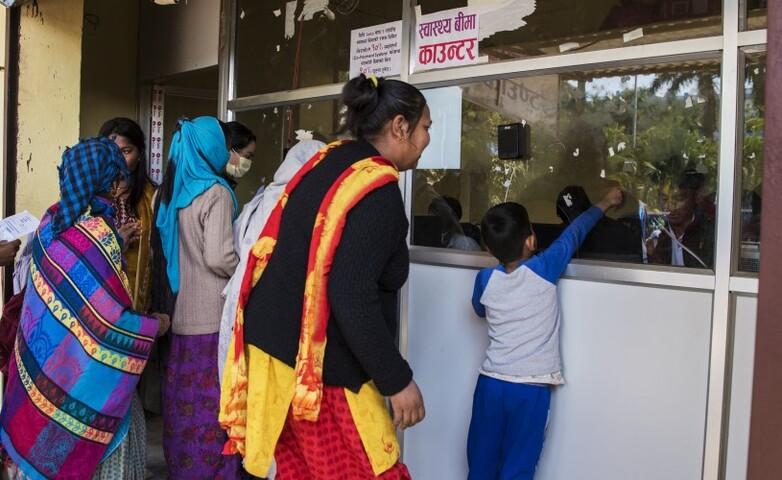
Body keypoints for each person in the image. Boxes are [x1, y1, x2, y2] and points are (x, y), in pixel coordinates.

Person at [220, 74, 431, 479]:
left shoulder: (329, 161)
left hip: (272, 351)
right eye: (424, 127)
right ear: (399, 127)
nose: (425, 140)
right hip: (321, 371)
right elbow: (351, 295)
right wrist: (397, 381)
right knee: (373, 468)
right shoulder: (377, 192)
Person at [0, 138, 166, 480]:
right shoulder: (97, 234)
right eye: (119, 177)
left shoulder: (52, 221)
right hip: (84, 379)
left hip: (46, 372)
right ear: (111, 182)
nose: (123, 185)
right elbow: (110, 321)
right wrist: (154, 326)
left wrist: (117, 241)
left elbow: (77, 282)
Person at [467, 187, 624, 480]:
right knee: (518, 467)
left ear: (488, 249)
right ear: (531, 240)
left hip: (490, 384)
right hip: (529, 389)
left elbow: (478, 310)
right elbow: (575, 232)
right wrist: (605, 201)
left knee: (481, 464)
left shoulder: (485, 279)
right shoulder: (544, 267)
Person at [153, 116, 241, 479]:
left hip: (180, 314)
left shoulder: (169, 192)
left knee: (183, 405)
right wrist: (248, 267)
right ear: (211, 148)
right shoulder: (215, 192)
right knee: (214, 406)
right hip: (211, 317)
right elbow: (219, 257)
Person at [218, 139, 325, 380]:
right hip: (272, 300)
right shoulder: (299, 202)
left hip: (246, 293)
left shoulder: (266, 196)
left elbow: (238, 239)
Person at [99, 118, 157, 312]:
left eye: (126, 151)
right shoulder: (92, 197)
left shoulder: (153, 197)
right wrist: (116, 243)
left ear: (140, 154)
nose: (118, 158)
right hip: (99, 299)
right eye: (112, 151)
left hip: (140, 300)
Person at [646, 171, 713, 268]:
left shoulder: (706, 233)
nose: (670, 207)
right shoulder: (663, 236)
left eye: (679, 199)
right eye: (664, 199)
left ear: (695, 199)